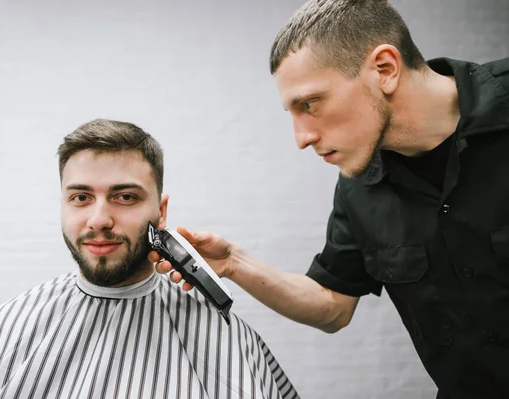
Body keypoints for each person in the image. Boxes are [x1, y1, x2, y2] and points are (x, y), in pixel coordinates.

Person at [151, 1, 509, 398]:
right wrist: (234, 263)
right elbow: (332, 305)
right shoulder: (360, 187)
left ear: (385, 69)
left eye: (310, 104)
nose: (301, 138)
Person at [0, 119, 299, 399]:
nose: (99, 219)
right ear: (63, 205)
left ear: (161, 211)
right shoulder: (2, 328)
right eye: (81, 197)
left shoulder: (225, 337)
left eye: (125, 197)